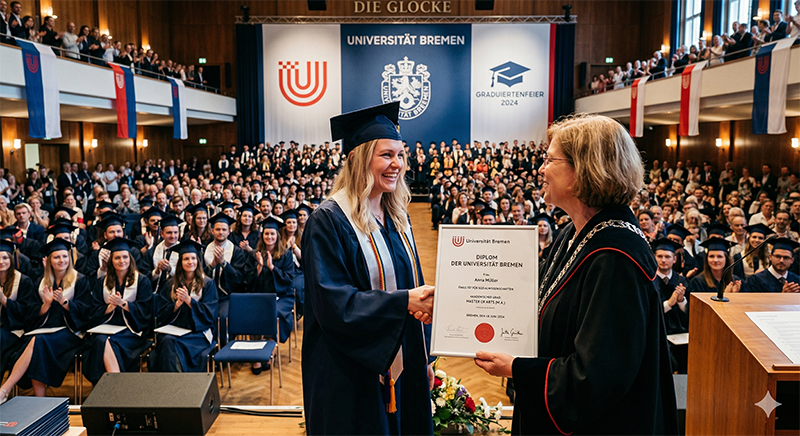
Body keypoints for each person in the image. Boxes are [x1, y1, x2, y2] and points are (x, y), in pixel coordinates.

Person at [473, 114, 678, 435]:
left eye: (549, 160)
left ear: (582, 170)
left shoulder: (615, 257)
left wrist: (517, 368)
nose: (540, 169)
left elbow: (598, 376)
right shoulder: (576, 233)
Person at [301, 102, 436, 436]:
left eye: (401, 155)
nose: (398, 165)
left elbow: (412, 286)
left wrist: (425, 357)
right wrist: (404, 301)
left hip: (402, 363)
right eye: (387, 155)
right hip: (349, 370)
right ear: (359, 159)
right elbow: (334, 304)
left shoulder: (398, 219)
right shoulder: (328, 221)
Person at [0, 239, 91, 401]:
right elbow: (32, 314)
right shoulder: (41, 282)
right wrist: (47, 304)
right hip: (46, 331)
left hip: (71, 332)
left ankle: (7, 390)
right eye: (56, 257)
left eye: (64, 256)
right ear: (49, 260)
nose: (61, 260)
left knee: (37, 341)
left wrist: (65, 302)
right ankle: (35, 398)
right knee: (37, 342)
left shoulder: (80, 280)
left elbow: (86, 312)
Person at [82, 238, 153, 385]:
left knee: (103, 340)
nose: (122, 261)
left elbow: (146, 312)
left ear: (130, 258)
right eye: (117, 257)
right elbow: (93, 311)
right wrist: (110, 307)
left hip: (132, 332)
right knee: (102, 339)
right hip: (107, 329)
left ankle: (111, 388)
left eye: (125, 257)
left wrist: (124, 304)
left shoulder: (142, 281)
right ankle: (117, 389)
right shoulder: (102, 282)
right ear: (111, 261)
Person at [150, 240, 218, 372]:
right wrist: (176, 305)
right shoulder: (170, 284)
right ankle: (175, 383)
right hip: (175, 330)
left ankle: (176, 383)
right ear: (180, 262)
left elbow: (210, 314)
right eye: (186, 259)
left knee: (169, 343)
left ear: (198, 261)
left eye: (193, 258)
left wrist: (189, 301)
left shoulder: (207, 284)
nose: (190, 262)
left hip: (197, 334)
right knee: (167, 341)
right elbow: (162, 312)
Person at [0, 240, 35, 404]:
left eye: (5, 258)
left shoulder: (23, 281)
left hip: (15, 330)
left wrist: (5, 301)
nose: (1, 262)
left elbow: (27, 313)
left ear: (11, 260)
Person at [652, 238, 690, 373]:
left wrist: (681, 301)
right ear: (654, 258)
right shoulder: (649, 281)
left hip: (681, 334)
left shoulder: (682, 281)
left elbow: (690, 314)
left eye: (667, 256)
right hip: (658, 334)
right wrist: (669, 303)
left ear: (674, 259)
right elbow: (647, 312)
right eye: (660, 256)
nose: (663, 260)